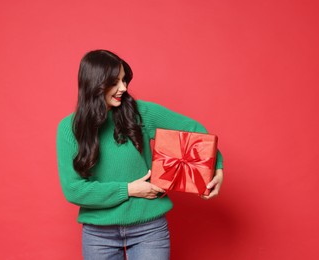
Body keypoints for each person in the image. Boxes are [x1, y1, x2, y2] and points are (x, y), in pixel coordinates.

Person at [56, 50, 224, 260]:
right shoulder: (69, 129)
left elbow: (195, 131)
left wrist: (216, 169)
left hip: (149, 229)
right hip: (98, 234)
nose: (124, 88)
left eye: (124, 80)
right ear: (95, 84)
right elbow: (74, 190)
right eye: (115, 82)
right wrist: (130, 190)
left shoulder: (140, 113)